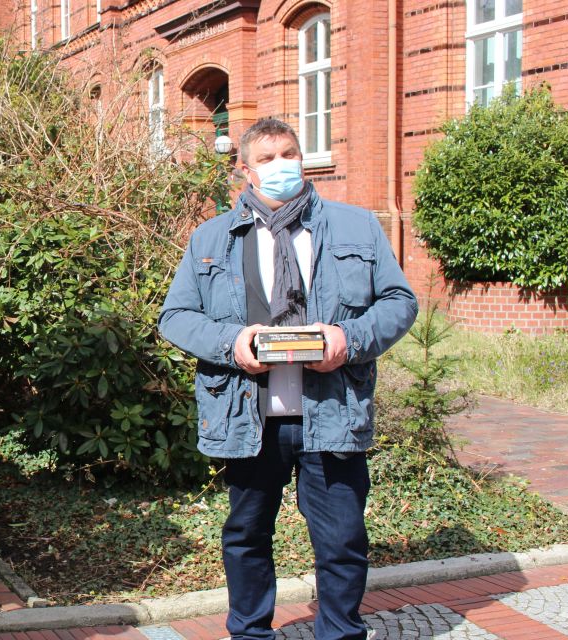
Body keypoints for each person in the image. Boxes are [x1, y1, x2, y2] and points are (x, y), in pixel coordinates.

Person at [159, 118, 417, 640]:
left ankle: (340, 633)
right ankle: (251, 633)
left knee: (342, 540)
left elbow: (399, 302)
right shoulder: (211, 238)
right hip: (250, 418)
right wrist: (233, 342)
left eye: (289, 154)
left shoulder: (356, 227)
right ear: (245, 171)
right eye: (268, 158)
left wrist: (348, 338)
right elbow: (176, 317)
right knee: (247, 536)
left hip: (333, 413)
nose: (282, 166)